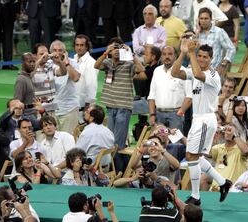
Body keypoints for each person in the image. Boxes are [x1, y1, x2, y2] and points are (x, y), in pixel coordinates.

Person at [171, 41, 232, 205]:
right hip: (197, 119)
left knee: (191, 156)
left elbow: (198, 75)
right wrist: (183, 52)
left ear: (211, 59)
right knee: (193, 156)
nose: (202, 59)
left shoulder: (213, 75)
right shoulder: (193, 70)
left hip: (206, 119)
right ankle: (223, 182)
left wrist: (191, 53)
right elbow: (175, 72)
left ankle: (196, 196)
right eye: (199, 56)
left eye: (205, 57)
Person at [94, 37, 147, 173]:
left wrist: (131, 54)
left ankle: (119, 171)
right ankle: (114, 168)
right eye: (114, 48)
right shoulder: (106, 62)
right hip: (110, 106)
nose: (116, 51)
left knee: (118, 143)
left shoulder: (128, 63)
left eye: (118, 48)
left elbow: (141, 70)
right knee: (110, 140)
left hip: (123, 107)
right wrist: (106, 52)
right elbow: (96, 65)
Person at [148, 46, 192, 131]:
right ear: (161, 57)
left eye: (170, 54)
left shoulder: (183, 71)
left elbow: (189, 96)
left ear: (175, 56)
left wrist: (180, 113)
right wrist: (152, 115)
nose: (167, 56)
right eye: (164, 54)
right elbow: (151, 96)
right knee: (160, 142)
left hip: (176, 115)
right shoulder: (157, 71)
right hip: (158, 114)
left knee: (176, 143)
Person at [50, 40, 81, 135]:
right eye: (55, 50)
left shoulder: (72, 62)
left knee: (69, 142)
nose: (57, 53)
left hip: (69, 110)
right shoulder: (47, 64)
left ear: (65, 52)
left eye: (60, 50)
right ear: (51, 52)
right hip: (51, 111)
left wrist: (66, 62)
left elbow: (75, 78)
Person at [208, 124, 248, 190]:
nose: (228, 132)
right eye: (226, 130)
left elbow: (246, 151)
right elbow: (205, 152)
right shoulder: (218, 148)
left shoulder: (240, 149)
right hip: (214, 190)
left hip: (231, 191)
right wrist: (211, 132)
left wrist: (234, 136)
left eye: (230, 130)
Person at [73, 35, 99, 123]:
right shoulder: (73, 59)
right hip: (73, 107)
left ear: (87, 46)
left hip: (83, 109)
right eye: (77, 45)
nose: (79, 48)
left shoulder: (91, 63)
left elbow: (92, 86)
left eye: (82, 45)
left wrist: (88, 107)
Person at [14, 53, 37, 117]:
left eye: (33, 61)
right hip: (27, 117)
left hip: (32, 115)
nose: (32, 64)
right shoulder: (21, 80)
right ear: (22, 63)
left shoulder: (29, 77)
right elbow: (17, 102)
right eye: (29, 62)